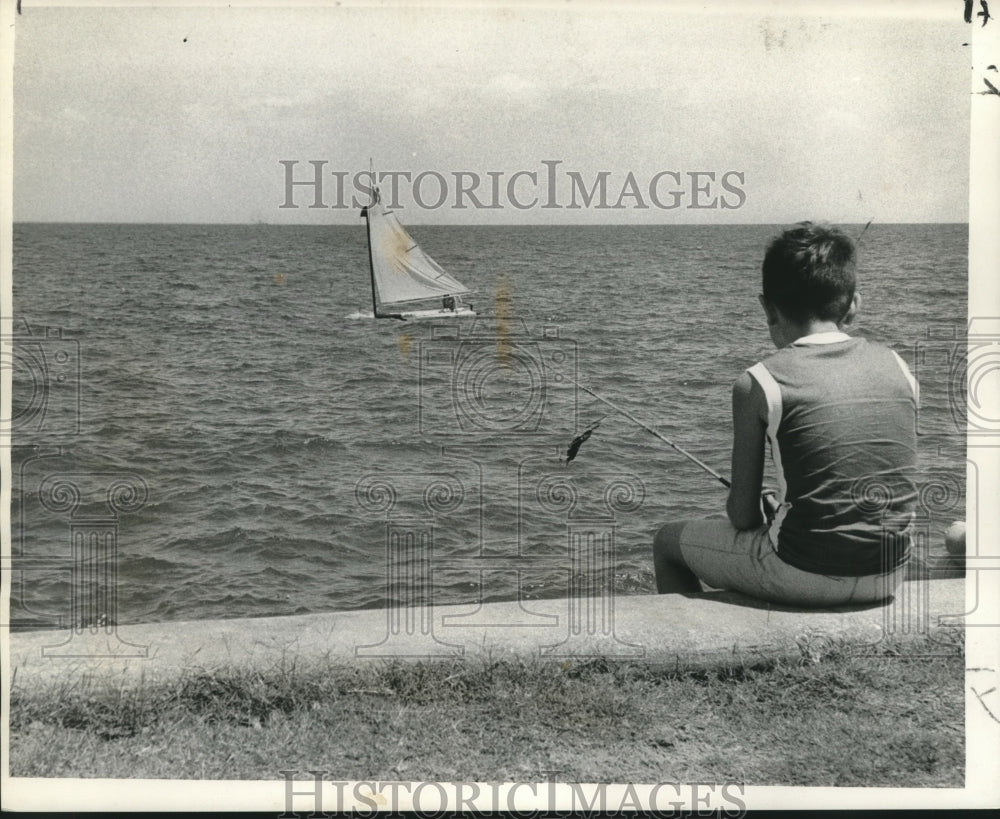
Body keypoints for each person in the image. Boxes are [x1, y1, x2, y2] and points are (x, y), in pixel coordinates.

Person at [652, 222, 918, 607]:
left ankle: (687, 644)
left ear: (768, 308)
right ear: (854, 304)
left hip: (802, 575)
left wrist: (768, 514)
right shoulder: (900, 367)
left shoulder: (758, 382)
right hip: (889, 574)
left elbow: (743, 518)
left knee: (666, 541)